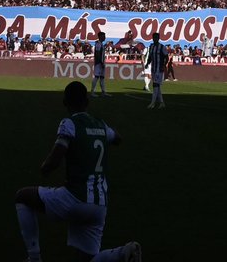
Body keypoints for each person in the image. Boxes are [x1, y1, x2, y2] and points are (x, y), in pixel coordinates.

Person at [14, 80, 140, 262]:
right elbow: (118, 139)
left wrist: (45, 169)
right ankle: (122, 253)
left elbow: (54, 160)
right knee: (87, 260)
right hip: (100, 203)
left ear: (65, 102)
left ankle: (34, 257)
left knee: (22, 197)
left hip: (75, 197)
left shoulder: (69, 123)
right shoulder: (100, 124)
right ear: (87, 102)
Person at [146, 33, 168, 109]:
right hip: (153, 69)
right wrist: (147, 63)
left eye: (156, 37)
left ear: (158, 38)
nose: (155, 39)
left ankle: (152, 103)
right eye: (154, 37)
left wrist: (163, 65)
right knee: (157, 86)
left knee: (155, 85)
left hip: (159, 69)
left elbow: (166, 57)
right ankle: (162, 103)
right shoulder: (151, 46)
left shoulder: (162, 47)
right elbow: (150, 56)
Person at [91, 32, 108, 97]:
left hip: (101, 63)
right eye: (103, 36)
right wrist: (100, 63)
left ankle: (103, 92)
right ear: (100, 36)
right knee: (96, 77)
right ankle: (92, 92)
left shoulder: (101, 44)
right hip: (99, 63)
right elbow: (97, 54)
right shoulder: (98, 44)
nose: (105, 37)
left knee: (102, 78)